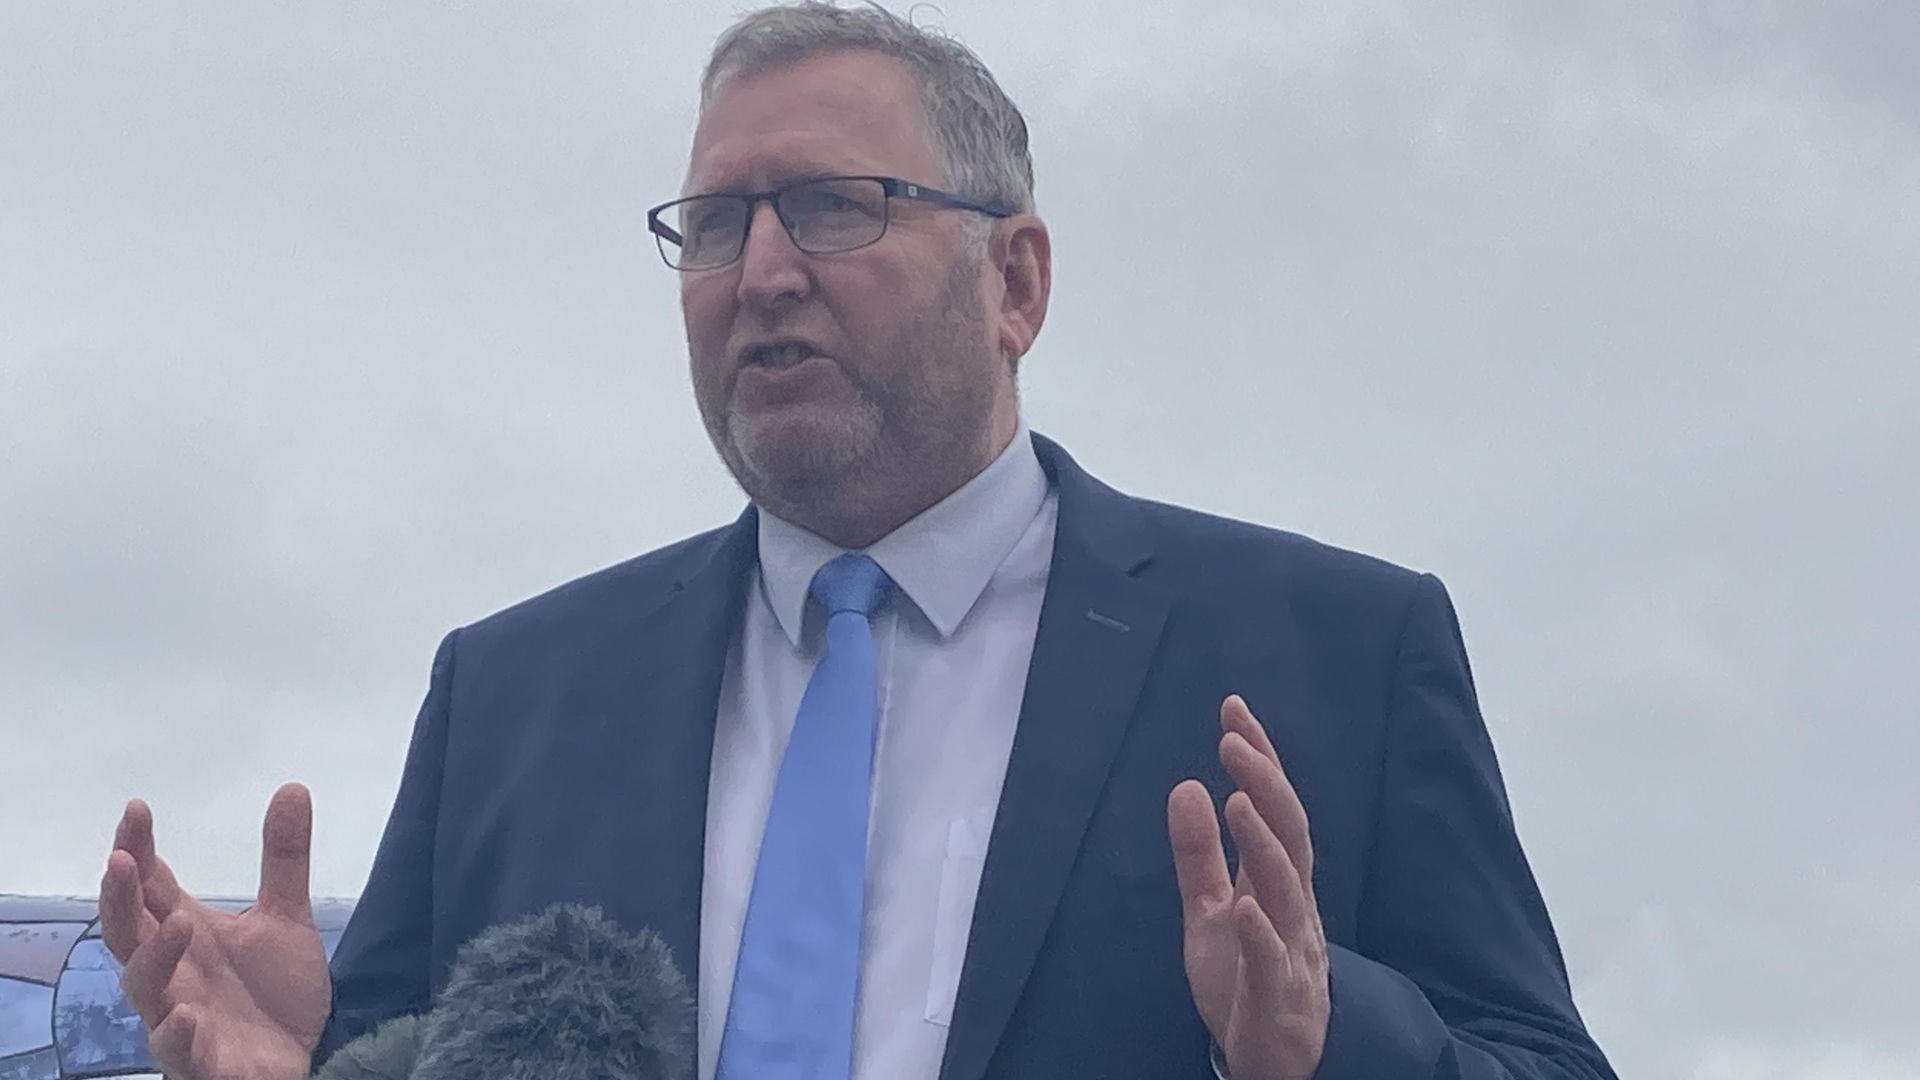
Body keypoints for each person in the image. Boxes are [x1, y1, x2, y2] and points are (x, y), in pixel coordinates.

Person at [98, 4, 1617, 1079]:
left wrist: (1321, 1041)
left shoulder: (1334, 654)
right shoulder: (514, 695)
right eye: (713, 224)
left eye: (831, 207)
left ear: (1014, 283)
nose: (759, 272)